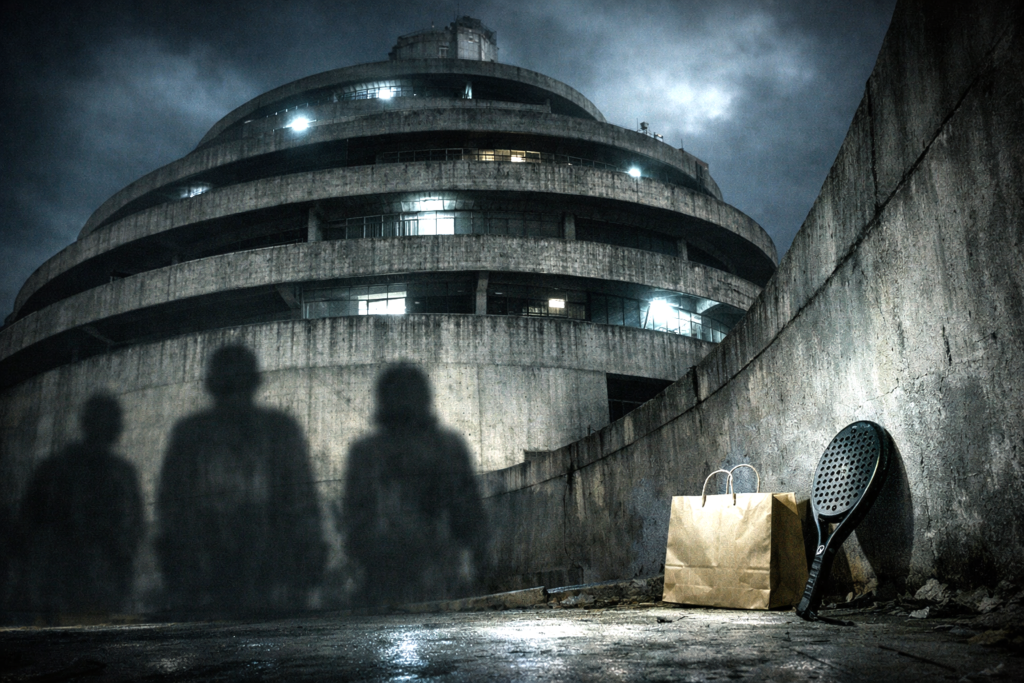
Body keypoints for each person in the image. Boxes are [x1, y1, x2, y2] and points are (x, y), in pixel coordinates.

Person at [156, 345, 325, 614]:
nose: (234, 397)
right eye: (229, 387)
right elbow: (172, 507)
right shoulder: (275, 429)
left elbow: (300, 502)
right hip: (219, 569)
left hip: (258, 569)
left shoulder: (194, 433)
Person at [341, 363, 487, 607]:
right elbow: (469, 517)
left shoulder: (367, 452)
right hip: (418, 574)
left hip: (410, 573)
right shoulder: (446, 447)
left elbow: (355, 521)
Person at [14, 393, 143, 618]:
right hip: (67, 583)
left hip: (97, 583)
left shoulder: (121, 473)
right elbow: (28, 526)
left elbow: (134, 528)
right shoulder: (58, 469)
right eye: (107, 420)